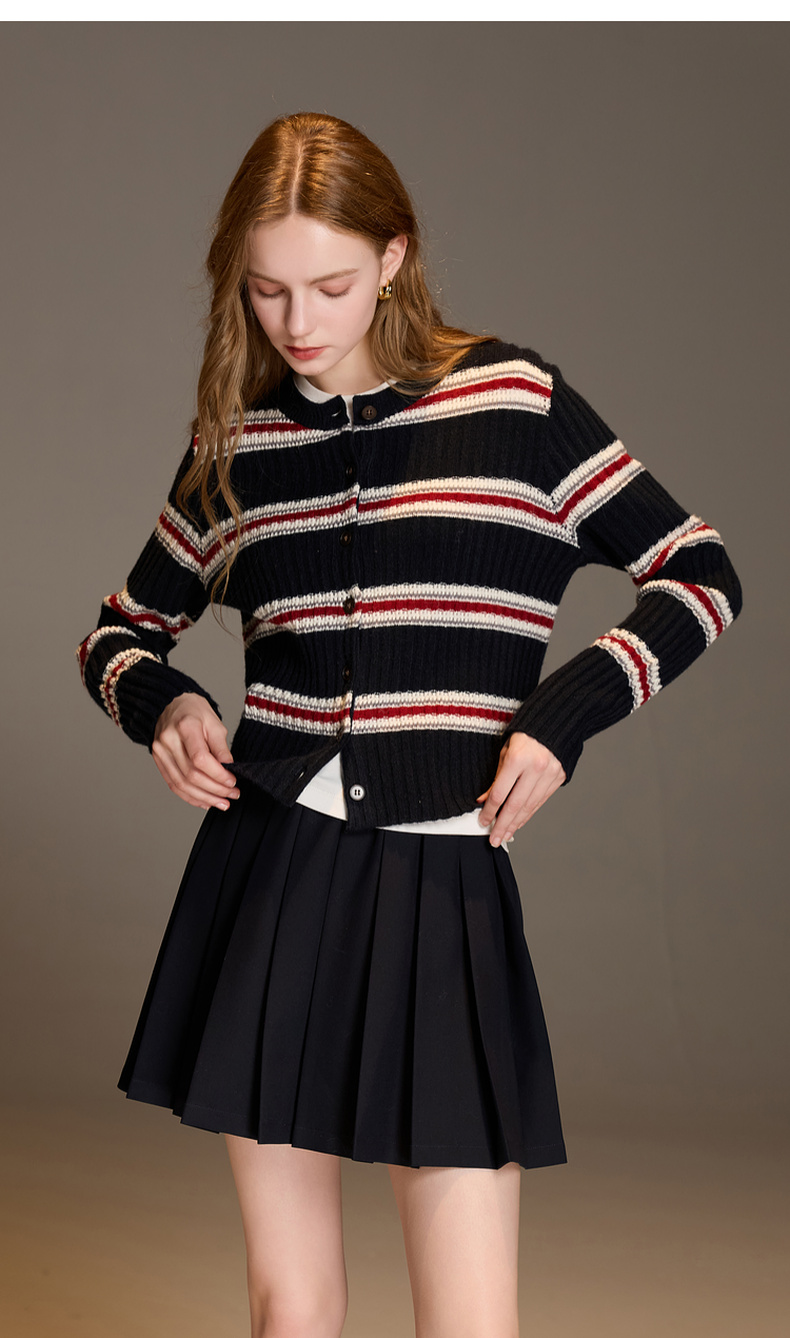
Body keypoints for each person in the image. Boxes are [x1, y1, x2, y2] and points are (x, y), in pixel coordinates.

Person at [76, 111, 742, 1338]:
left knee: (469, 1320)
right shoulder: (239, 440)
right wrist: (164, 703)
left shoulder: (515, 399)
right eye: (266, 289)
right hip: (267, 872)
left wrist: (562, 717)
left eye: (330, 284)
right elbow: (117, 634)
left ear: (394, 257)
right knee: (291, 1309)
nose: (297, 321)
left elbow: (699, 575)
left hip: (442, 881)